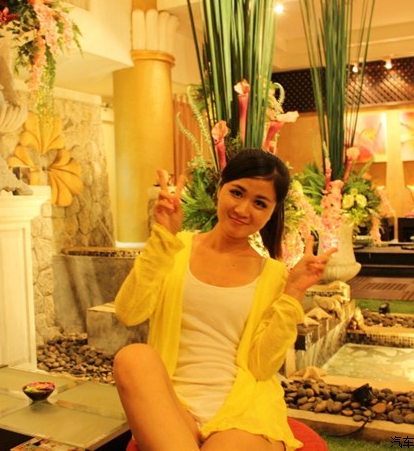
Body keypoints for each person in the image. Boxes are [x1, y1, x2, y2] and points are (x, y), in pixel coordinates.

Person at [113, 149, 336, 451]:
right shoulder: (175, 248)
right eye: (237, 193)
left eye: (260, 203)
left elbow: (261, 367)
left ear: (272, 211)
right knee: (133, 357)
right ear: (220, 189)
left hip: (243, 412)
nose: (243, 209)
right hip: (175, 404)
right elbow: (129, 312)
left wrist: (294, 292)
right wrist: (163, 237)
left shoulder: (273, 275)